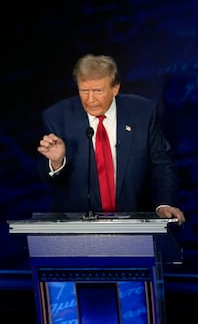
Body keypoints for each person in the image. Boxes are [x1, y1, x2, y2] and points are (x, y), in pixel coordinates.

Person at [36, 53, 185, 224]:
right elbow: (44, 177)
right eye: (84, 91)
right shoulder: (57, 117)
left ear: (115, 88)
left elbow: (162, 163)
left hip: (134, 222)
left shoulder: (142, 113)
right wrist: (57, 162)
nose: (90, 100)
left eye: (98, 91)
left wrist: (164, 203)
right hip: (76, 227)